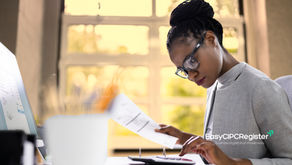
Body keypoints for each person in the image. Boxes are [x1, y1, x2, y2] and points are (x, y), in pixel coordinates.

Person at [155, 0, 292, 165]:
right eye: (183, 70)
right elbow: (224, 148)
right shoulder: (214, 86)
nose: (190, 76)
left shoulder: (260, 89)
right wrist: (184, 137)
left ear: (210, 40)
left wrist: (233, 164)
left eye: (191, 62)